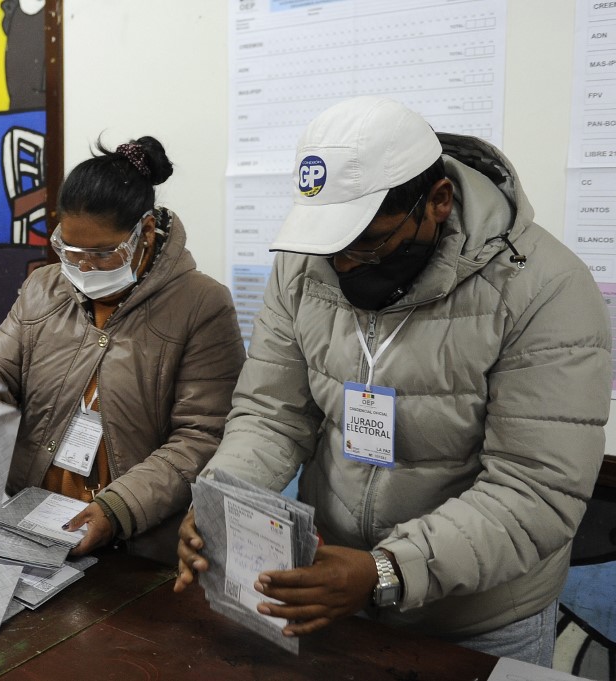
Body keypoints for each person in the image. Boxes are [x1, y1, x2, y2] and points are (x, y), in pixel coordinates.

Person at [174, 96, 611, 664]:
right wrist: (222, 499)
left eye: (368, 243)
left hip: (476, 620)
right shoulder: (308, 264)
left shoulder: (545, 289)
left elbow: (534, 489)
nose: (345, 266)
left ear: (438, 202)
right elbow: (271, 414)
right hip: (336, 591)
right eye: (331, 247)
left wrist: (387, 569)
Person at [0, 136, 245, 564]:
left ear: (145, 231)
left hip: (136, 543)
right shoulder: (44, 287)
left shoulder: (201, 305)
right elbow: (0, 369)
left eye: (103, 254)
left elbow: (202, 437)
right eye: (71, 251)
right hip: (31, 521)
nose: (83, 268)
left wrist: (118, 508)